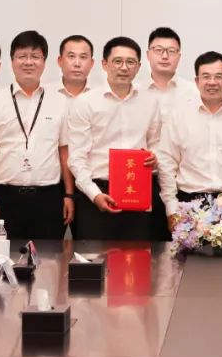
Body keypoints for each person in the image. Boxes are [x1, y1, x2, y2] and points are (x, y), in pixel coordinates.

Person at [0, 31, 74, 241]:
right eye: (22, 56)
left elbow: (64, 151)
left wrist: (68, 195)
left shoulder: (60, 102)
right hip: (4, 197)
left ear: (44, 62)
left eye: (35, 56)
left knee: (49, 258)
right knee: (3, 257)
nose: (28, 62)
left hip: (48, 198)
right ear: (12, 61)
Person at [67, 37, 162, 240]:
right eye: (117, 61)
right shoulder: (85, 102)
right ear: (104, 64)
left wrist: (155, 158)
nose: (124, 67)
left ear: (138, 67)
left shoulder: (150, 102)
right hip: (96, 193)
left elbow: (156, 144)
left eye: (130, 62)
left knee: (137, 256)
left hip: (138, 192)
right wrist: (94, 194)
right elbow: (76, 158)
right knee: (94, 257)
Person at [157, 51, 222, 226]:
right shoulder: (178, 116)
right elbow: (167, 164)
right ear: (197, 81)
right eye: (206, 76)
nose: (212, 82)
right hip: (189, 205)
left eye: (218, 76)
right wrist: (172, 209)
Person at [143, 27, 194, 119]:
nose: (165, 56)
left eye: (171, 51)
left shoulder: (194, 92)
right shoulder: (134, 92)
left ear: (179, 57)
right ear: (148, 55)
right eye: (158, 50)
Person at [57, 34, 95, 100]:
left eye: (83, 57)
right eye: (71, 56)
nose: (77, 64)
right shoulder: (45, 93)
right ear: (60, 61)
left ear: (91, 63)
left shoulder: (103, 95)